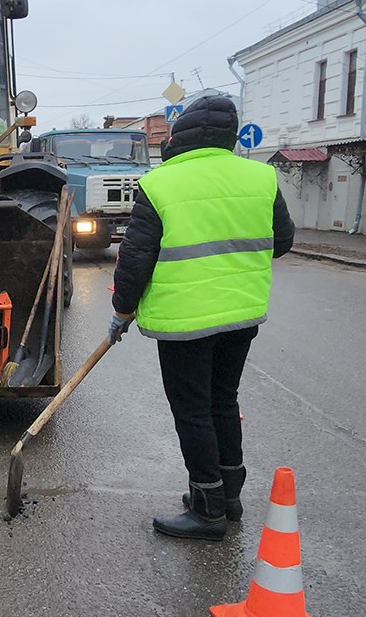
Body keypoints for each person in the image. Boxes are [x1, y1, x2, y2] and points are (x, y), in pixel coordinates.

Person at [109, 96, 295, 541]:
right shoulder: (261, 177)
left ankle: (207, 509)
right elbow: (282, 241)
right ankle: (228, 498)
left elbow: (135, 260)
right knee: (223, 401)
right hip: (241, 314)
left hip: (185, 323)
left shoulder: (162, 184)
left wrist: (121, 312)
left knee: (192, 410)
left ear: (180, 136)